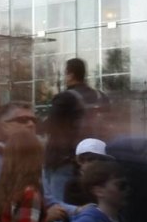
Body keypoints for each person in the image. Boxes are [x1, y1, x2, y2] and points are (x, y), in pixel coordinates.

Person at [43, 58, 110, 211]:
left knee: (61, 207)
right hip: (96, 161)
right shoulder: (101, 97)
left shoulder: (65, 98)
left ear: (70, 74)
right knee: (95, 205)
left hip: (64, 161)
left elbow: (49, 126)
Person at [0, 101, 38, 202]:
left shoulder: (32, 155)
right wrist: (45, 216)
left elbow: (49, 200)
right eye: (23, 120)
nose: (31, 124)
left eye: (34, 120)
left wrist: (69, 210)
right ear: (4, 126)